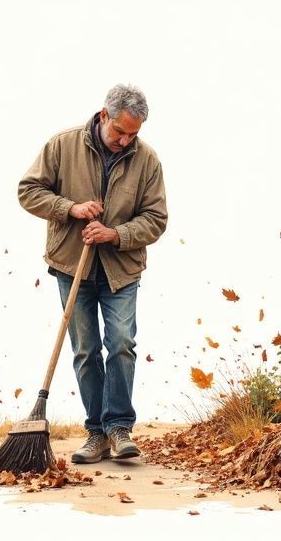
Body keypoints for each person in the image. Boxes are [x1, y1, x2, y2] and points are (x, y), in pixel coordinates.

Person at [18, 84, 167, 463]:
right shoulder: (62, 146)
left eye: (134, 133)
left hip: (121, 269)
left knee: (120, 343)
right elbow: (28, 191)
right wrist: (70, 208)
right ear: (105, 116)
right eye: (120, 132)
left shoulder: (147, 160)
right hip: (72, 265)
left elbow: (156, 219)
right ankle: (96, 434)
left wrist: (115, 234)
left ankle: (119, 428)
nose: (126, 140)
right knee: (85, 351)